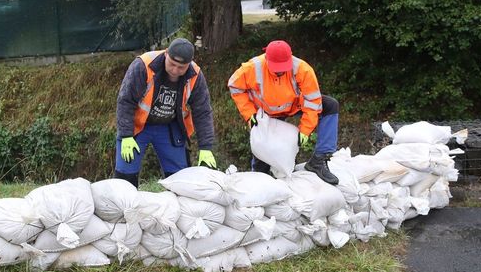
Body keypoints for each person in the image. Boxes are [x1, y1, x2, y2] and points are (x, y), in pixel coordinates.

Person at [228, 39, 339, 185]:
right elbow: (234, 86)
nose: (280, 71)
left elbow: (313, 101)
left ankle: (319, 159)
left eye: (283, 67)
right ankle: (259, 177)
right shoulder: (252, 68)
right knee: (263, 158)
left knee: (331, 105)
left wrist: (305, 130)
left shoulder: (302, 69)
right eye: (276, 68)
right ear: (266, 59)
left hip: (294, 105)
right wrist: (250, 114)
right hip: (267, 113)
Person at [115, 38, 217, 187]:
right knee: (125, 174)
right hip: (138, 126)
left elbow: (203, 111)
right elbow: (125, 100)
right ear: (166, 54)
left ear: (189, 64)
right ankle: (124, 208)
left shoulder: (195, 75)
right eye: (172, 64)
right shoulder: (144, 65)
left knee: (181, 177)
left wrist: (206, 147)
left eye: (181, 67)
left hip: (169, 126)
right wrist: (125, 135)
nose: (175, 70)